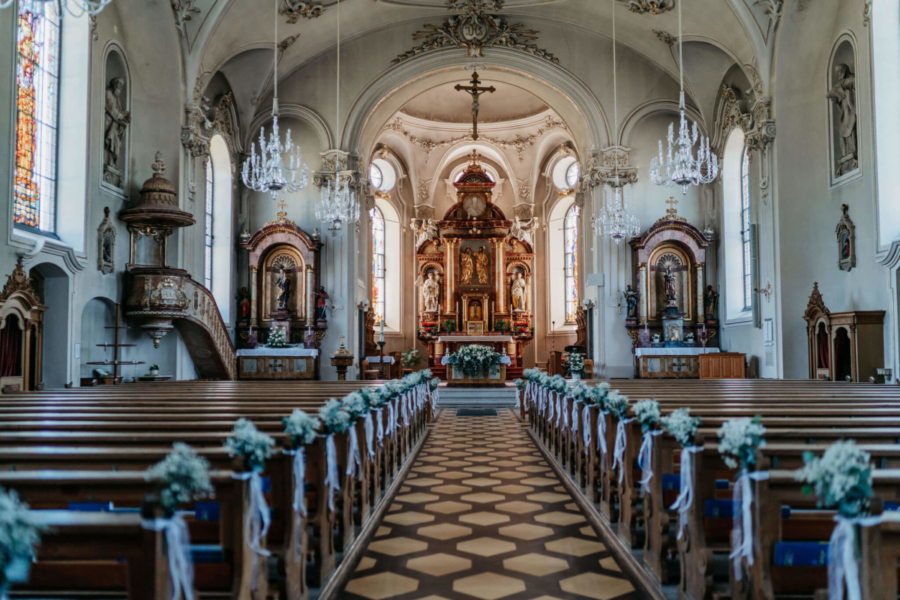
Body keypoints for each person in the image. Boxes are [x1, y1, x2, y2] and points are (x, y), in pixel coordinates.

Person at [104, 78, 131, 171]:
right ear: (114, 84)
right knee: (110, 141)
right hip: (108, 123)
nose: (120, 87)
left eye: (121, 85)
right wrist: (121, 117)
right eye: (119, 84)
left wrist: (125, 116)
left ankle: (111, 163)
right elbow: (111, 108)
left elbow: (119, 110)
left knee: (116, 144)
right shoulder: (107, 92)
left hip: (115, 124)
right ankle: (108, 162)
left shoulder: (116, 97)